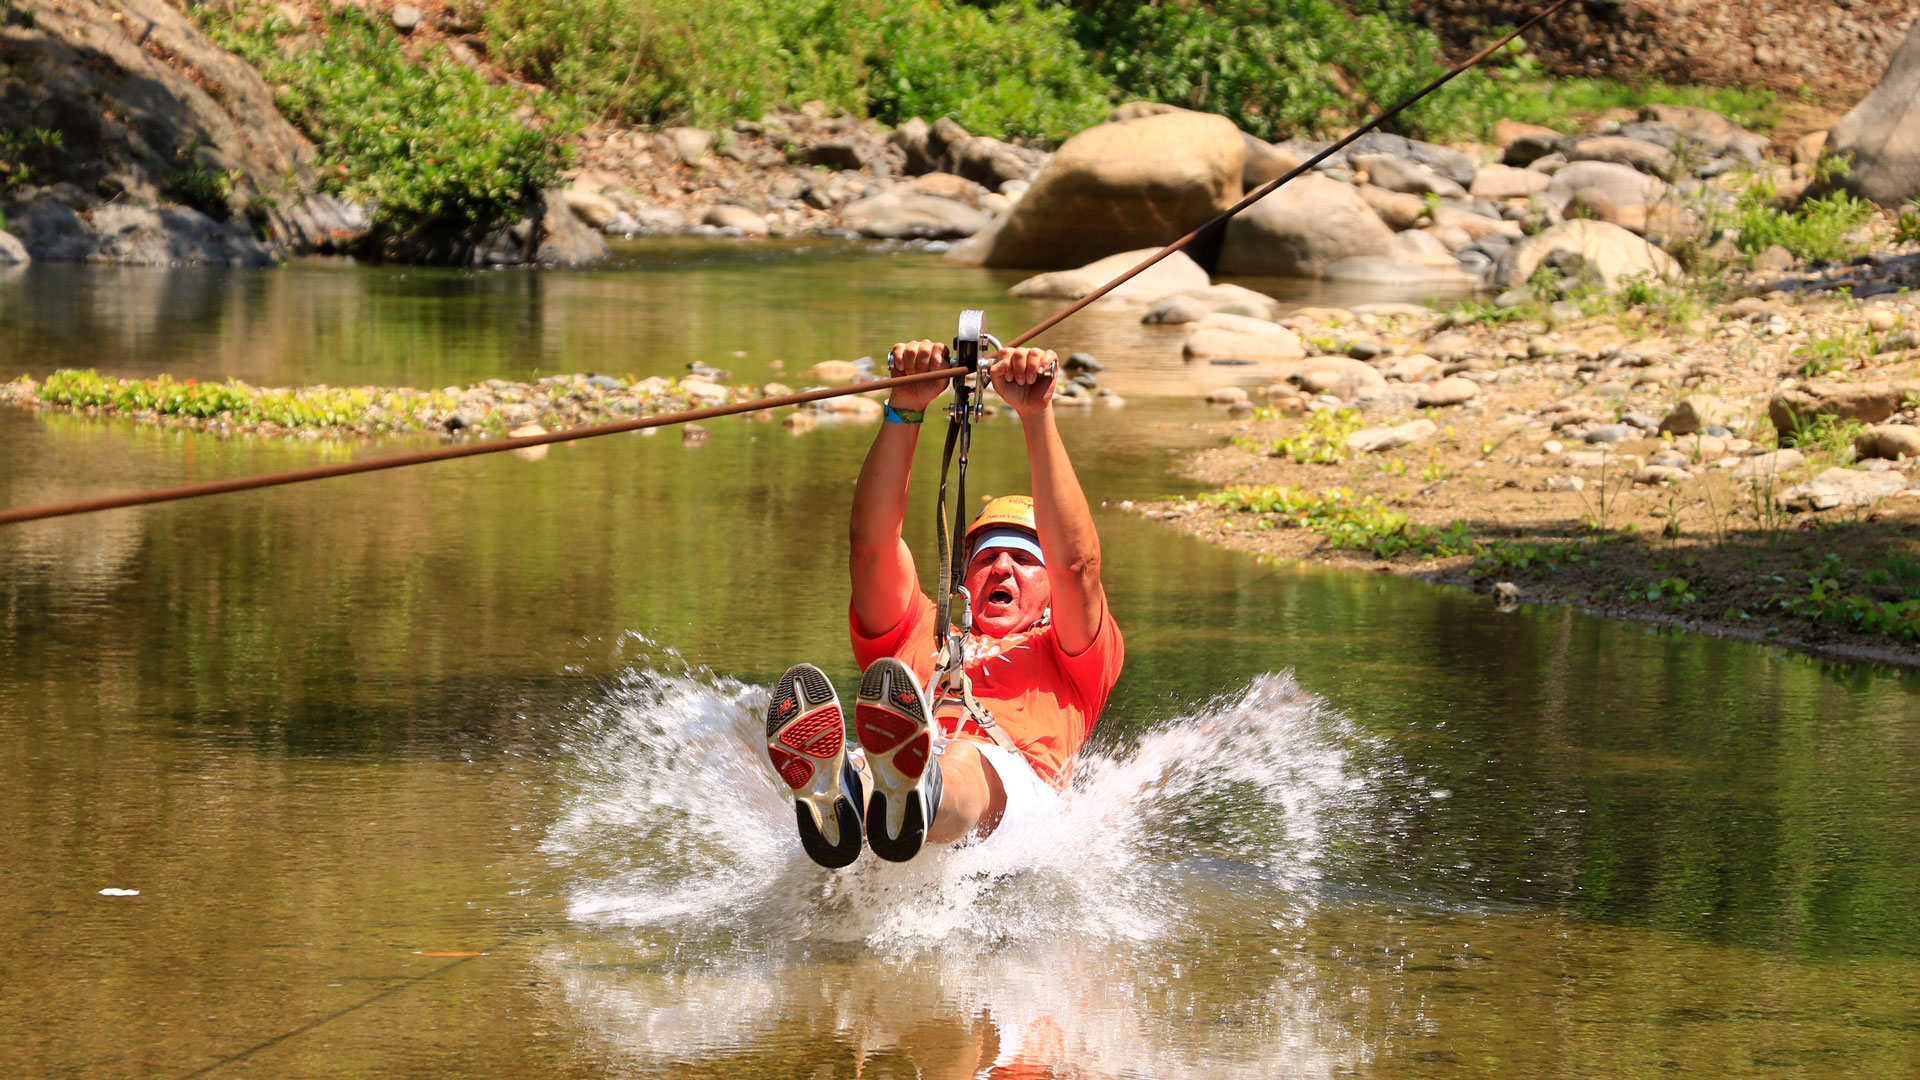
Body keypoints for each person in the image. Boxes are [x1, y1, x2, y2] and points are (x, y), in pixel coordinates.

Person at [764, 341, 1125, 868]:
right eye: (987, 558)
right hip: (913, 766)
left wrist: (1036, 414)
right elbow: (870, 547)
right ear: (964, 579)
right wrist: (904, 408)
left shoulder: (1074, 654)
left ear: (1053, 591)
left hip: (1017, 801)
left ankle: (904, 796)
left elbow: (1078, 566)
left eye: (1025, 558)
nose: (1002, 568)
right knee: (872, 765)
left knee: (961, 756)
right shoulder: (920, 631)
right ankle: (845, 799)